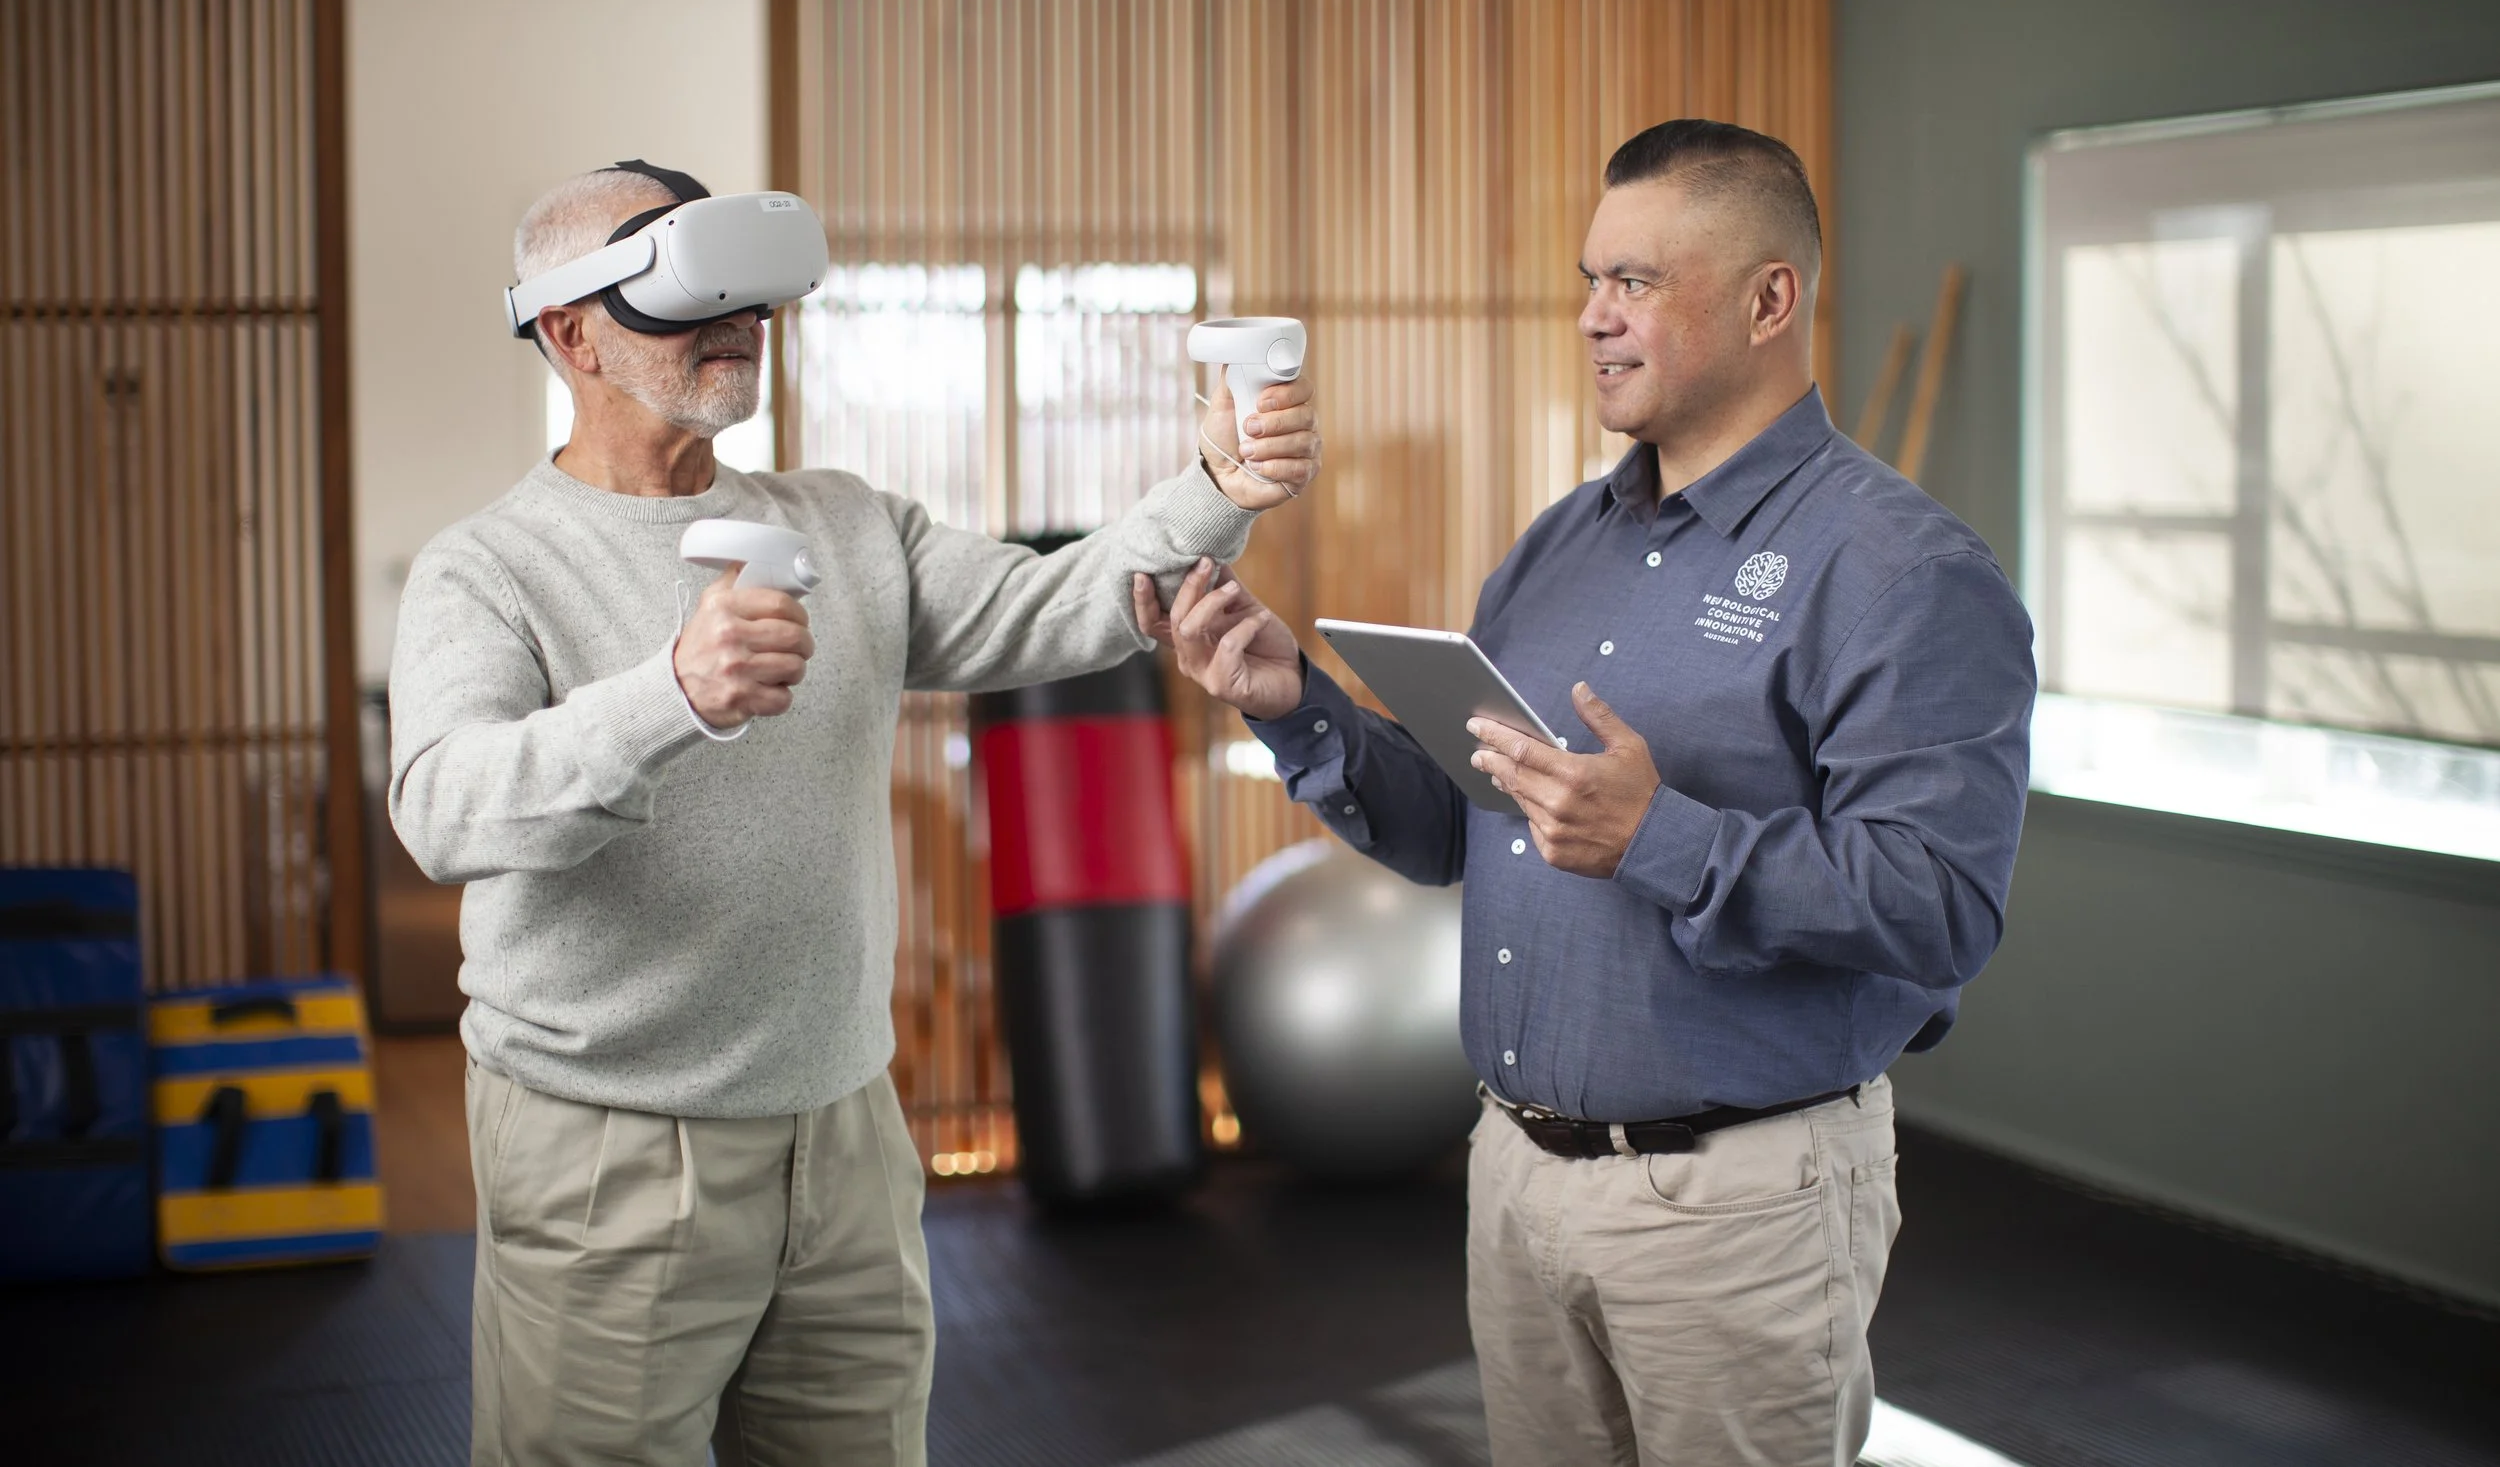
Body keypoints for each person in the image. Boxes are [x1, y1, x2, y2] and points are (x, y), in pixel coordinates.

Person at [389, 162, 1319, 1467]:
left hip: (844, 1129)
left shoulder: (841, 523)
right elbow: (445, 810)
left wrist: (1216, 479)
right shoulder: (487, 567)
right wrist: (671, 695)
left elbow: (1056, 604)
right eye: (687, 296)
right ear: (570, 333)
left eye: (747, 299)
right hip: (610, 1144)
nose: (735, 323)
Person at [1137, 119, 2034, 1467]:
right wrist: (1297, 704)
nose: (1592, 317)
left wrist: (1661, 838)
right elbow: (1465, 827)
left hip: (1739, 1202)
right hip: (1516, 1178)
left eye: (1636, 282)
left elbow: (1941, 906)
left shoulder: (1905, 572)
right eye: (1590, 280)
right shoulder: (1561, 541)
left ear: (1769, 301)